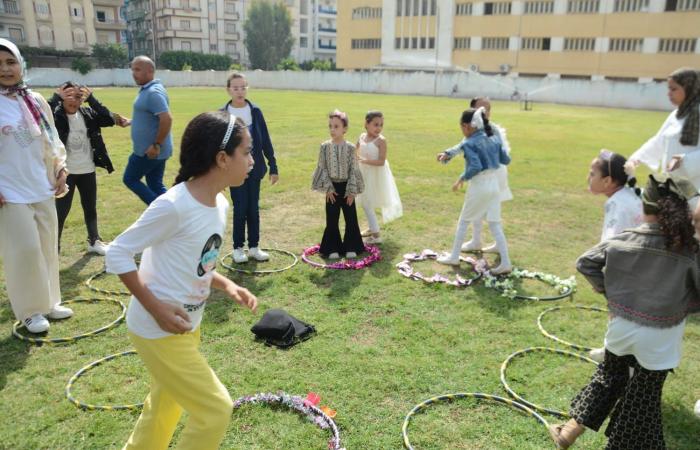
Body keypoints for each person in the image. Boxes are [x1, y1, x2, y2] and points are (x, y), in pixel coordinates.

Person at [105, 111, 258, 450]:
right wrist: (156, 308)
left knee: (164, 405)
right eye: (246, 152)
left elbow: (198, 264)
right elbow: (116, 253)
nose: (252, 160)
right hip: (158, 330)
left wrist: (227, 285)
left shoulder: (219, 203)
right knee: (216, 409)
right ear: (221, 158)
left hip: (186, 325)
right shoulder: (174, 206)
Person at [550, 174, 700, 450]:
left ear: (644, 207)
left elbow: (586, 263)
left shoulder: (624, 238)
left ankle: (568, 432)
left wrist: (614, 296)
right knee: (643, 398)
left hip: (621, 328)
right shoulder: (690, 250)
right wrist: (684, 305)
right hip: (661, 338)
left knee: (608, 378)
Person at [0, 39, 73, 333]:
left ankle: (50, 302)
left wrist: (60, 168)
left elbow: (51, 138)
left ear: (21, 65)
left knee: (46, 247)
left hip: (41, 185)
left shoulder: (35, 99)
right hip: (9, 191)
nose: (5, 69)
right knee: (25, 250)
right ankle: (30, 311)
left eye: (10, 62)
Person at [436, 107, 512, 274]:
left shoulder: (470, 142)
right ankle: (506, 262)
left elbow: (475, 166)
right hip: (494, 184)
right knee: (494, 223)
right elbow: (506, 159)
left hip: (480, 185)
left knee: (464, 221)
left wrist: (461, 179)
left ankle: (454, 256)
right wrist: (447, 153)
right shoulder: (491, 137)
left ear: (466, 126)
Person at [586, 149, 644, 363]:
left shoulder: (617, 204)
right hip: (643, 265)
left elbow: (613, 244)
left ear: (608, 180)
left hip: (630, 269)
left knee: (619, 312)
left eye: (592, 174)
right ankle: (612, 350)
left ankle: (614, 355)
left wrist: (603, 276)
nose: (588, 178)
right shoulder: (630, 194)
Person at [48, 82, 116, 255]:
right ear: (62, 97)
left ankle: (94, 241)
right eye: (68, 96)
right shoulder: (55, 116)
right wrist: (56, 99)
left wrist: (92, 99)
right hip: (66, 172)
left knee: (90, 208)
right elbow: (40, 117)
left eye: (78, 97)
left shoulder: (87, 114)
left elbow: (108, 119)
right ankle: (53, 248)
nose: (73, 100)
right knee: (61, 212)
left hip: (87, 170)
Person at [220, 72, 278, 263]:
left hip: (255, 168)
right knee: (240, 208)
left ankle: (254, 247)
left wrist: (273, 165)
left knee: (253, 208)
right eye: (235, 88)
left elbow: (266, 140)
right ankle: (238, 248)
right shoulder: (223, 115)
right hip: (234, 171)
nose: (240, 91)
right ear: (228, 89)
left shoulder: (255, 111)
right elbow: (218, 145)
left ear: (247, 88)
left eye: (243, 87)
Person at [626, 68, 700, 205]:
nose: (668, 94)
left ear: (690, 89)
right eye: (668, 89)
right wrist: (637, 158)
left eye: (674, 89)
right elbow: (659, 140)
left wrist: (685, 160)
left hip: (694, 189)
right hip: (670, 186)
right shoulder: (676, 114)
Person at [118, 56, 173, 205]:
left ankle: (161, 212)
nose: (133, 73)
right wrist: (131, 122)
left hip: (150, 151)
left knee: (130, 179)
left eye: (137, 69)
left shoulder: (153, 92)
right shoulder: (147, 89)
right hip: (153, 150)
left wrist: (156, 145)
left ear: (150, 71)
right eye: (132, 69)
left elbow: (166, 119)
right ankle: (173, 211)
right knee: (155, 184)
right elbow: (150, 117)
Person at [461, 97, 512, 253]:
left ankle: (497, 244)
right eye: (481, 109)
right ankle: (476, 240)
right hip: (480, 175)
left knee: (492, 213)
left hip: (491, 175)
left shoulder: (492, 129)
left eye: (488, 109)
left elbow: (501, 155)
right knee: (478, 209)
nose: (485, 112)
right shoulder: (471, 129)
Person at [312, 110, 365, 259]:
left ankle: (351, 246)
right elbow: (322, 168)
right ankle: (332, 248)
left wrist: (351, 191)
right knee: (332, 218)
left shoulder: (350, 148)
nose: (332, 130)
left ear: (345, 129)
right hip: (332, 189)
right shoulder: (324, 147)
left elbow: (354, 169)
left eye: (336, 126)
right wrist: (328, 189)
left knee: (350, 218)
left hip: (347, 187)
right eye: (330, 126)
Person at [355, 110, 402, 244]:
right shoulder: (362, 136)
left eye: (381, 125)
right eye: (375, 124)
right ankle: (371, 228)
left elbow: (381, 162)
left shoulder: (381, 141)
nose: (379, 128)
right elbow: (355, 150)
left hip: (376, 175)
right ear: (366, 124)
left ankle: (376, 235)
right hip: (363, 173)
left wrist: (364, 161)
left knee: (367, 203)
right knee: (366, 201)